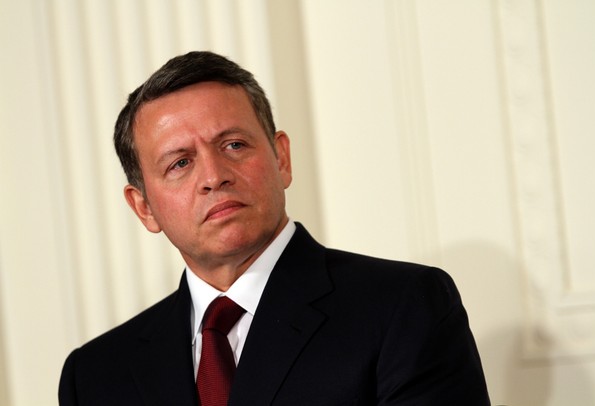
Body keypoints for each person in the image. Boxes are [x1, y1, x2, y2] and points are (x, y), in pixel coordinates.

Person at [59, 51, 490, 405]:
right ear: (143, 207)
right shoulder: (95, 375)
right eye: (180, 163)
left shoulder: (403, 307)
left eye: (234, 145)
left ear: (281, 158)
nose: (214, 176)